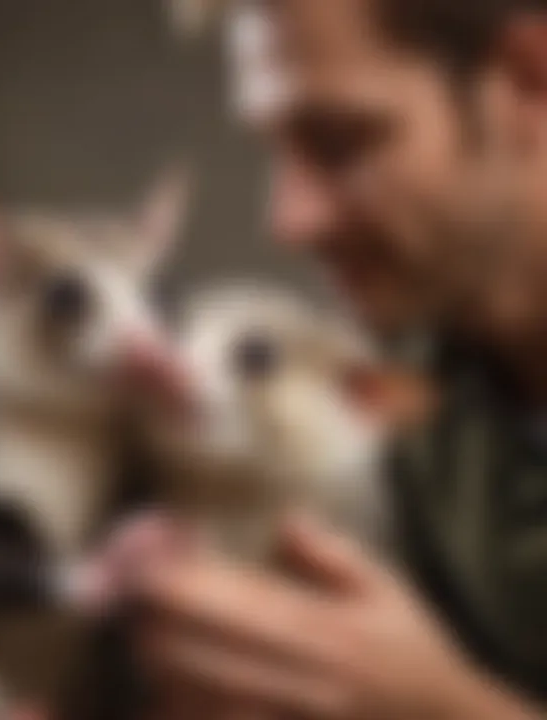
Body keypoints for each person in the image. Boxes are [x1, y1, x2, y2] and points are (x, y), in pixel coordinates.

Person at [135, 1, 547, 718]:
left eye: (338, 143)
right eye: (277, 147)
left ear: (525, 79)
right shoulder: (416, 377)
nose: (290, 221)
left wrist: (444, 710)